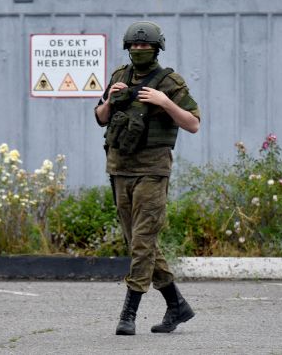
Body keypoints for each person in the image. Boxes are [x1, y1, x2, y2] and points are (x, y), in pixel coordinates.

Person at [94, 21, 201, 335]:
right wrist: (110, 100)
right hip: (119, 169)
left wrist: (165, 102)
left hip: (152, 171)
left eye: (145, 45)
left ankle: (128, 314)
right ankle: (177, 305)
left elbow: (193, 123)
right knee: (139, 243)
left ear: (157, 48)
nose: (139, 49)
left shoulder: (169, 82)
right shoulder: (119, 76)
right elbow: (100, 117)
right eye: (135, 45)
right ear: (128, 48)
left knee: (142, 243)